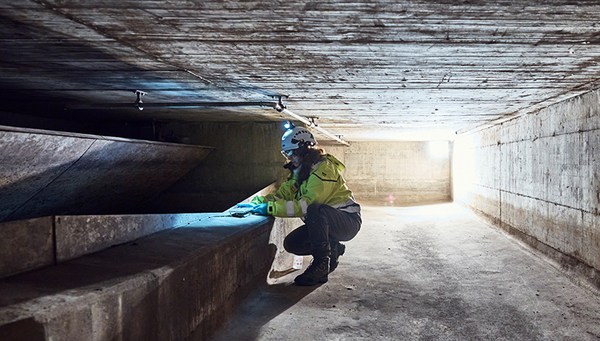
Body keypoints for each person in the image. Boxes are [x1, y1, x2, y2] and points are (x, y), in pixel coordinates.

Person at [238, 124, 361, 286]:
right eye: (286, 153)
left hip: (347, 222)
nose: (288, 158)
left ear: (303, 150)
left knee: (314, 209)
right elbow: (282, 197)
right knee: (292, 243)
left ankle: (321, 265)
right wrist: (257, 203)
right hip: (328, 223)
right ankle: (332, 248)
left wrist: (270, 209)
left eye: (290, 152)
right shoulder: (299, 172)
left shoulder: (324, 170)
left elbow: (306, 205)